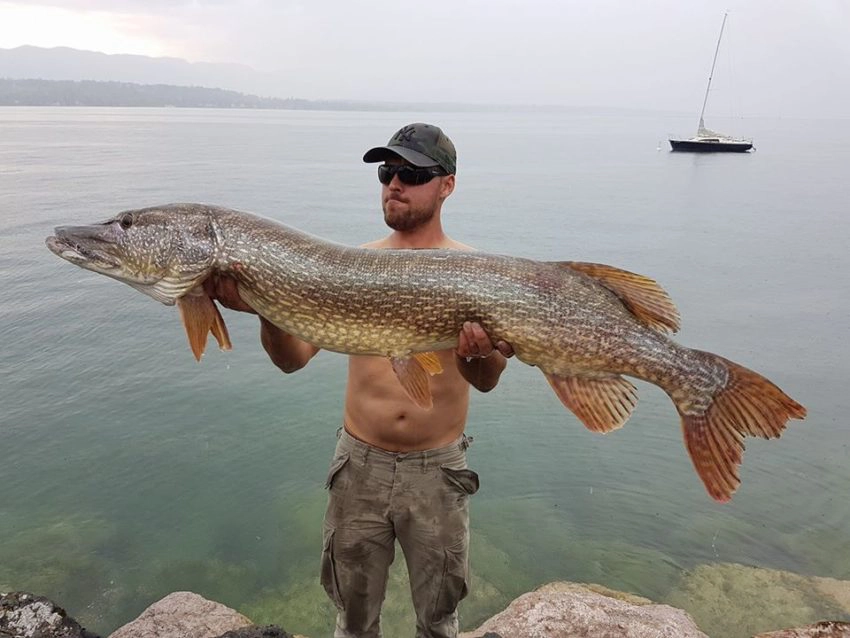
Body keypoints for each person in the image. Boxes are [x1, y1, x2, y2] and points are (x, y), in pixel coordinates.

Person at [206, 122, 514, 638]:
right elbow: (291, 359)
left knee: (439, 619)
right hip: (359, 467)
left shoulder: (472, 271)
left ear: (447, 185)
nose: (394, 184)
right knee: (351, 620)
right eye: (387, 171)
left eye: (412, 174)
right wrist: (264, 306)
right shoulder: (350, 266)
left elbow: (485, 381)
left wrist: (475, 353)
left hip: (437, 472)